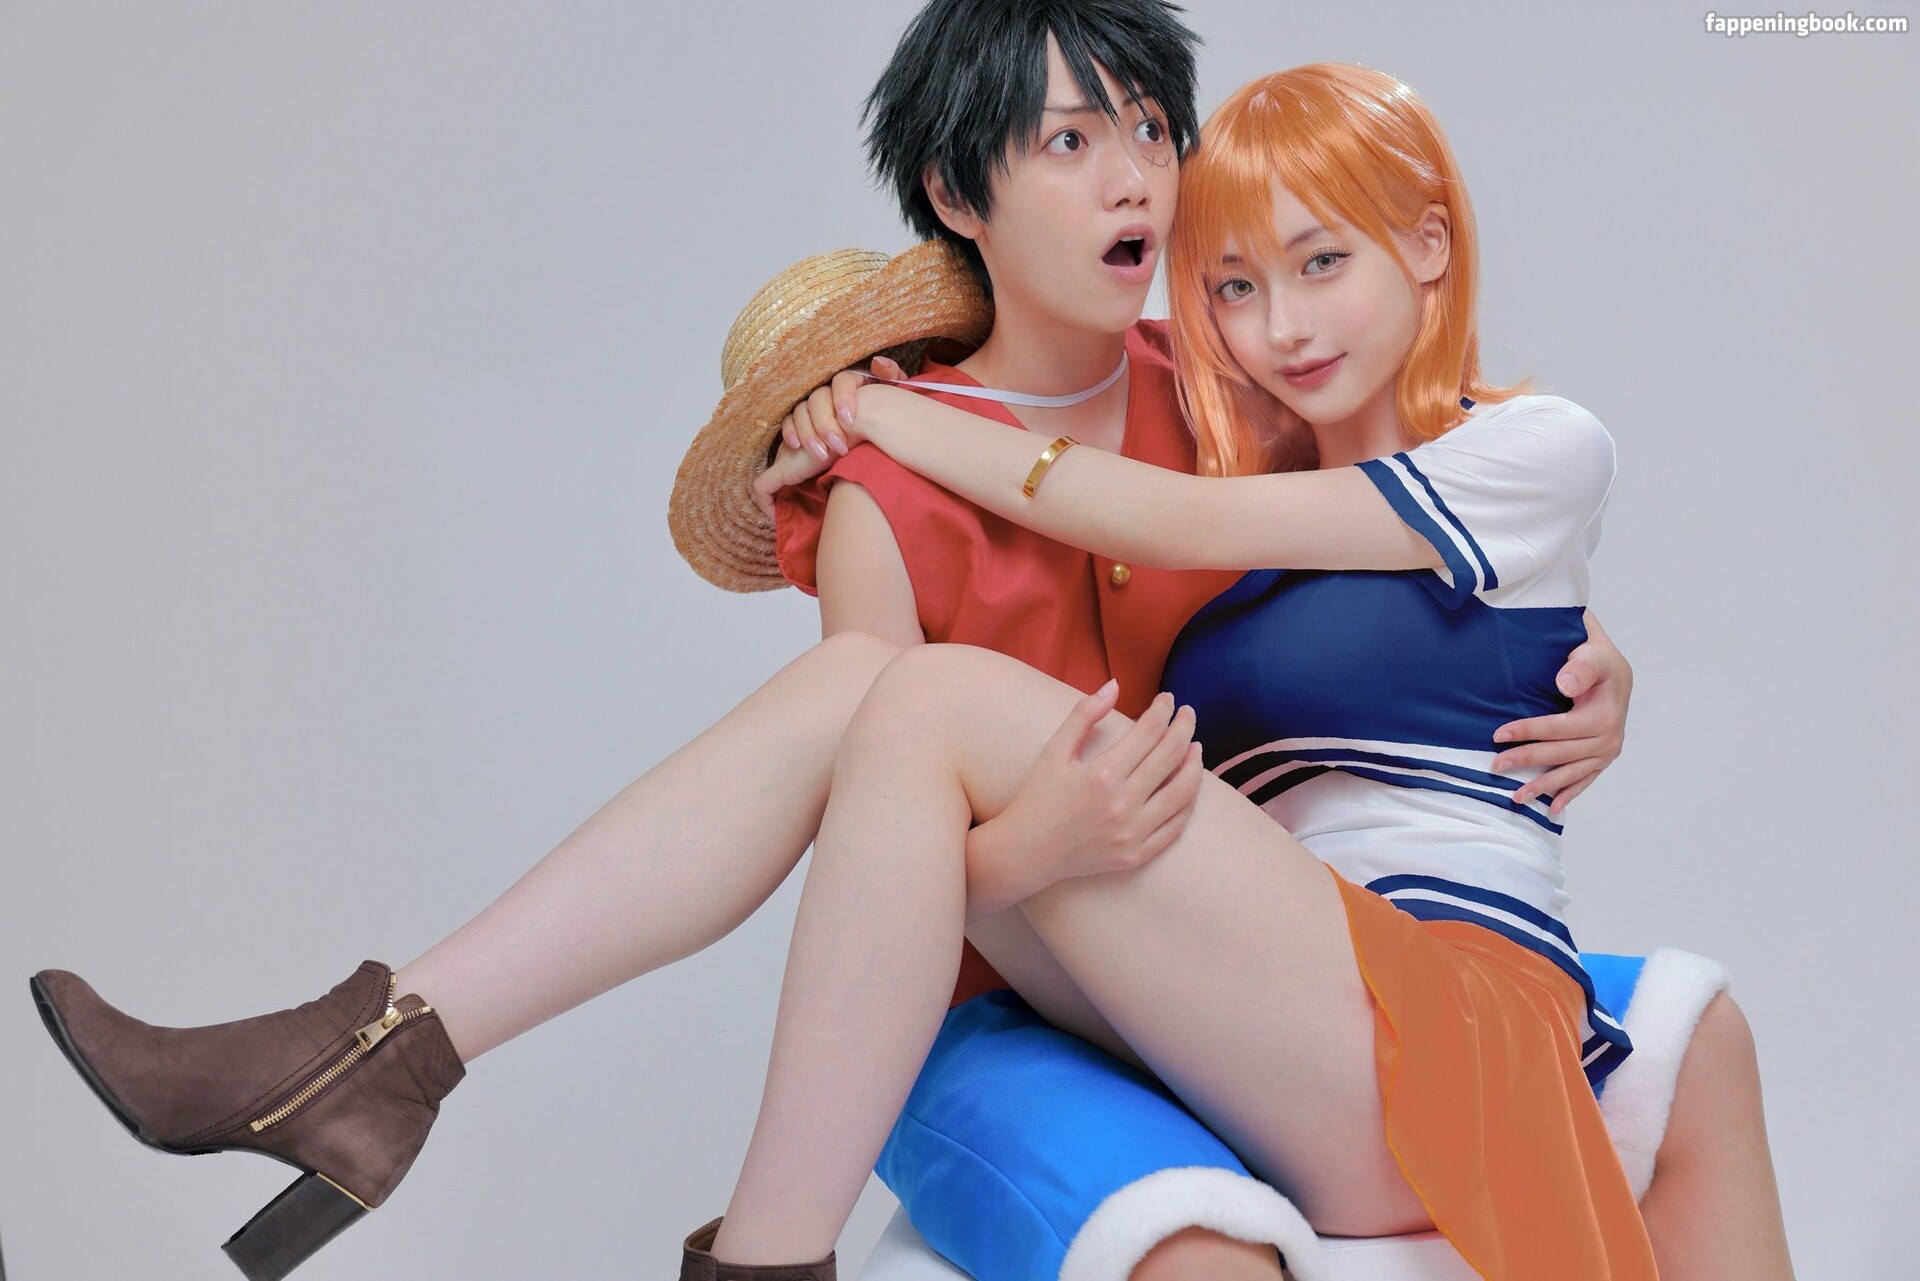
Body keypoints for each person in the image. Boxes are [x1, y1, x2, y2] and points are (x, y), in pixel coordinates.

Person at [21, 9, 1749, 1281]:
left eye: (1151, 128)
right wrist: (1035, 847)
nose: (1135, 176)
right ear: (957, 189)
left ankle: (389, 1065)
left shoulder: (1237, 396)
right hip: (999, 992)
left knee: (905, 697)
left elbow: (1442, 551)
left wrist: (1599, 665)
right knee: (888, 697)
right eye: (1068, 141)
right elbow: (880, 835)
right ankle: (396, 1065)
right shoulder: (884, 485)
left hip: (1262, 986)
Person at [731, 60, 1794, 1281]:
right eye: (1235, 288)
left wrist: (889, 417)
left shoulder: (1530, 446)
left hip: (1435, 1001)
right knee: (896, 707)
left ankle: (748, 1252)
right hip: (1262, 1018)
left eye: (1321, 262)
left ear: (1429, 245)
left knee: (926, 699)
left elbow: (1173, 524)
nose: (1283, 327)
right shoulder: (1265, 491)